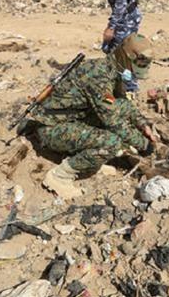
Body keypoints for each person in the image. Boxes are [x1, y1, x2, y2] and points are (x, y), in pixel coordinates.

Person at [30, 34, 155, 199]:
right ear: (125, 58)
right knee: (112, 142)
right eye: (134, 66)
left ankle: (89, 159)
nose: (134, 72)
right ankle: (60, 176)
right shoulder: (99, 77)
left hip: (72, 119)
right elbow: (114, 123)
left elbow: (123, 103)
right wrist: (145, 145)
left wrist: (143, 124)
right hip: (51, 128)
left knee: (118, 113)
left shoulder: (110, 69)